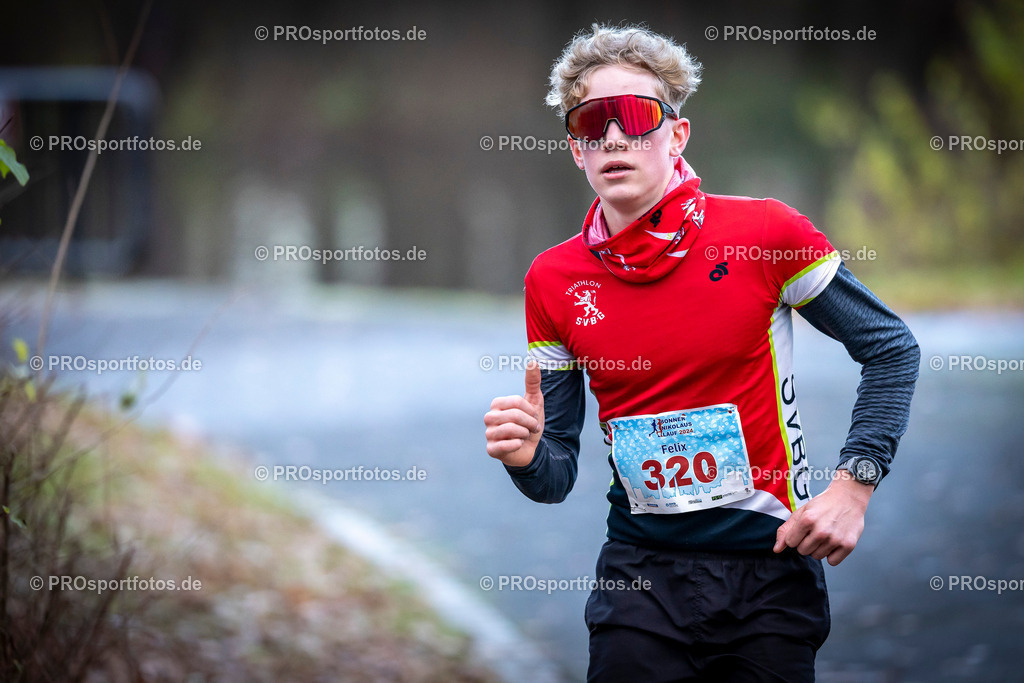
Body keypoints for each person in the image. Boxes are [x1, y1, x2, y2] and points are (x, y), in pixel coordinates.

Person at [483, 23, 920, 682]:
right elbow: (556, 474)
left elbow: (890, 346)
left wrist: (853, 485)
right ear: (576, 149)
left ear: (678, 134)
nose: (613, 138)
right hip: (638, 577)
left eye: (635, 116)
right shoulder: (553, 278)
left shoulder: (765, 232)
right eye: (591, 123)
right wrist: (525, 457)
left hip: (770, 570)